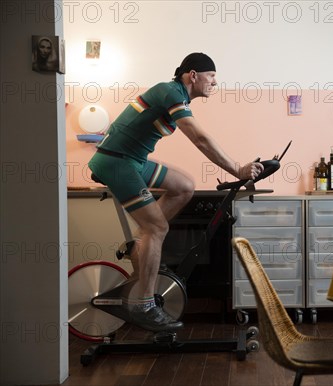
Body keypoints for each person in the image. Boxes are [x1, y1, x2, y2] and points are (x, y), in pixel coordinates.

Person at [88, 52, 264, 332]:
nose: (215, 83)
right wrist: (238, 170)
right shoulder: (170, 91)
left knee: (184, 186)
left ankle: (141, 242)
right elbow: (200, 138)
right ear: (193, 75)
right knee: (157, 228)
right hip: (116, 161)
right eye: (212, 76)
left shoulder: (175, 94)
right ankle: (144, 305)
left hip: (134, 161)